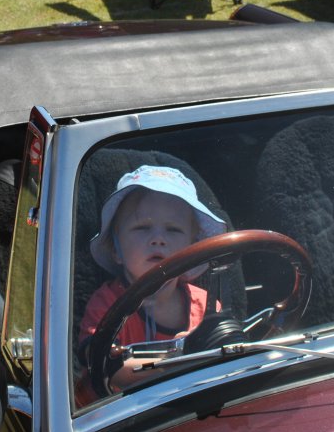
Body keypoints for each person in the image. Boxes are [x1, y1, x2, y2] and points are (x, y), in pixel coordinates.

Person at [77, 165, 225, 395]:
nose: (158, 239)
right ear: (115, 249)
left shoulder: (206, 306)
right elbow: (105, 366)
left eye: (173, 230)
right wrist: (181, 359)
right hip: (117, 419)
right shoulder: (107, 305)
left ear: (192, 248)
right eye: (142, 227)